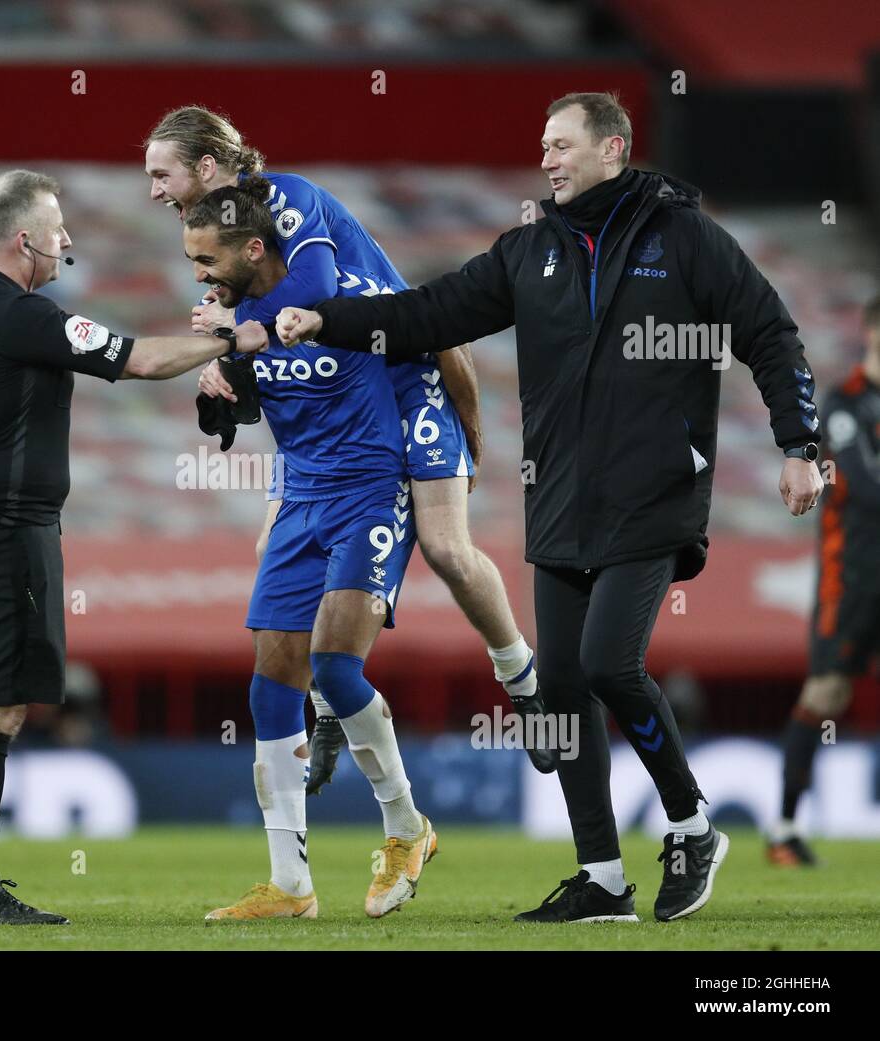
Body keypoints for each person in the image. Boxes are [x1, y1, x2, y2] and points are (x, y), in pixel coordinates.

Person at [275, 91, 824, 923]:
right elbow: (428, 312)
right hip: (560, 500)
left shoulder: (685, 239)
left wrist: (799, 445)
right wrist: (325, 319)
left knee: (609, 664)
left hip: (653, 492)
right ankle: (601, 877)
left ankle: (692, 823)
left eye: (562, 144)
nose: (548, 158)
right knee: (564, 694)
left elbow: (768, 331)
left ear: (612, 149)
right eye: (542, 145)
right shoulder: (528, 251)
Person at [144, 105, 553, 781]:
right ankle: (331, 697)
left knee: (448, 547)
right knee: (273, 543)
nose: (154, 191)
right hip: (326, 395)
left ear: (207, 168)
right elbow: (260, 336)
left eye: (163, 174)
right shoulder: (213, 241)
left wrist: (236, 330)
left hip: (400, 374)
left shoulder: (288, 199)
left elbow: (320, 293)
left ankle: (524, 682)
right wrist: (224, 366)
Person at [0, 169, 269, 925]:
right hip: (1, 526)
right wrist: (222, 337)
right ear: (23, 239)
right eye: (56, 228)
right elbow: (137, 359)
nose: (67, 241)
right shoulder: (16, 313)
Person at [185, 182, 437, 921]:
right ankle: (290, 884)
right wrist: (221, 382)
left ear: (255, 249)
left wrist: (452, 462)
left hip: (369, 492)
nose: (199, 273)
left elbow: (431, 347)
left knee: (334, 664)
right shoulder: (233, 321)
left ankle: (407, 827)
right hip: (299, 501)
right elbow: (243, 395)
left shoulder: (336, 303)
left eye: (208, 258)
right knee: (271, 682)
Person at [770, 294, 880, 866]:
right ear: (870, 331)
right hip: (853, 574)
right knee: (827, 692)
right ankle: (784, 829)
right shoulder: (845, 402)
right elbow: (862, 480)